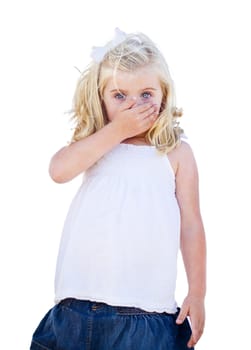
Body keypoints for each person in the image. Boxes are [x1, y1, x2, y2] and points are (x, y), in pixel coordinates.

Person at [30, 28, 206, 350]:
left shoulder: (175, 153)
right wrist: (116, 131)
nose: (133, 106)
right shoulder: (97, 146)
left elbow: (191, 225)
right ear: (101, 98)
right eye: (119, 95)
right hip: (77, 310)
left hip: (145, 315)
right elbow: (58, 171)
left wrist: (197, 291)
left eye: (146, 95)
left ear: (164, 96)